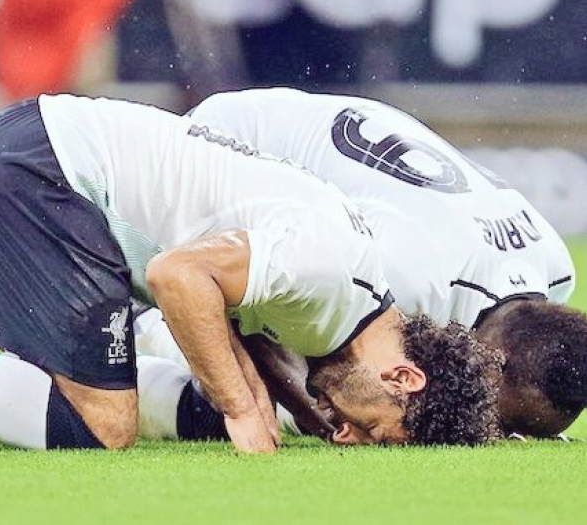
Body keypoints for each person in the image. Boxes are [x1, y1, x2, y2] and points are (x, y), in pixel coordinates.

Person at [0, 94, 500, 452]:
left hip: (44, 158)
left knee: (204, 399)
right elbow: (177, 274)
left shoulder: (345, 296)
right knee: (105, 424)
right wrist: (242, 407)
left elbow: (232, 310)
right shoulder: (330, 273)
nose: (347, 438)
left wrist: (274, 398)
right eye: (375, 431)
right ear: (402, 378)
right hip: (46, 171)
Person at [133, 87, 587, 439]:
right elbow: (259, 307)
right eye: (498, 420)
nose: (490, 431)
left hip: (310, 128)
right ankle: (143, 326)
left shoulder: (555, 268)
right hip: (229, 143)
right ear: (492, 364)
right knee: (250, 397)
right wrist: (315, 417)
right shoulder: (409, 273)